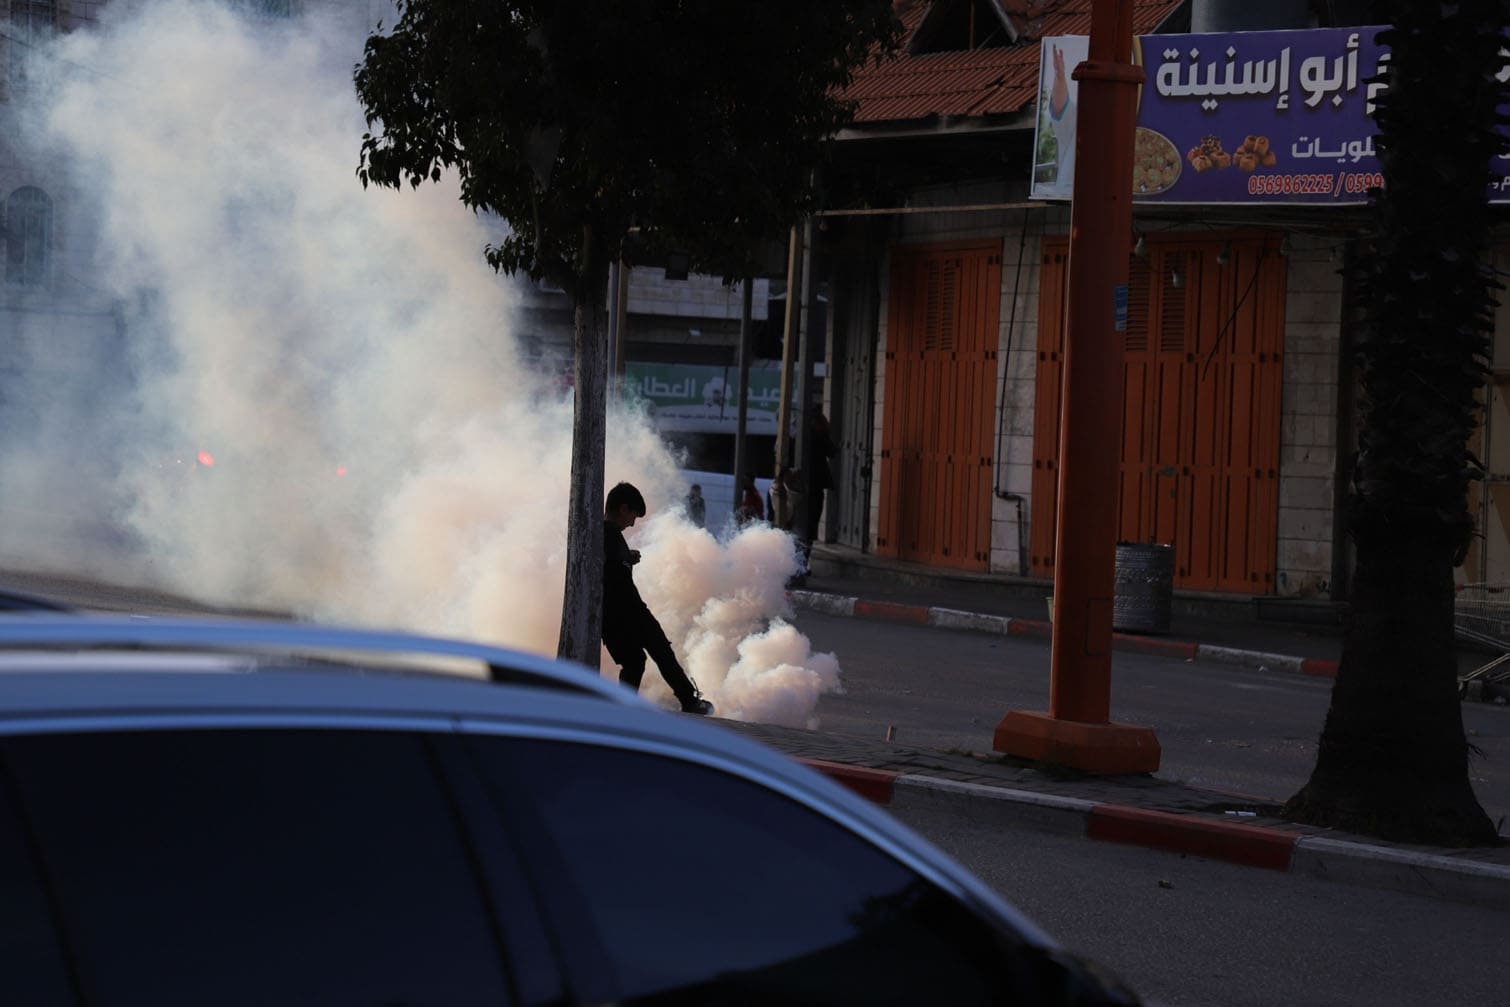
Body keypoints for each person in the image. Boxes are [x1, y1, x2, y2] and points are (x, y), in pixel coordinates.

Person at [602, 482, 713, 715]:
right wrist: (626, 557)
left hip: (616, 614)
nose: (632, 523)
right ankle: (689, 700)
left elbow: (612, 561)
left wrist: (627, 557)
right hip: (625, 612)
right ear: (623, 509)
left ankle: (623, 709)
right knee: (658, 651)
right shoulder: (607, 533)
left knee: (636, 661)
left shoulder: (607, 534)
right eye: (633, 516)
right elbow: (610, 565)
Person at [802, 411, 835, 561]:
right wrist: (825, 434)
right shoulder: (814, 437)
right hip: (811, 487)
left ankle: (802, 562)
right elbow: (832, 451)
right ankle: (802, 561)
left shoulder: (810, 436)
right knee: (809, 527)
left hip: (810, 486)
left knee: (808, 527)